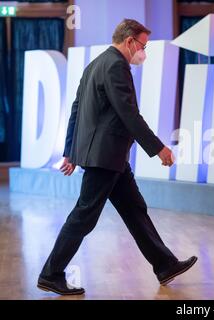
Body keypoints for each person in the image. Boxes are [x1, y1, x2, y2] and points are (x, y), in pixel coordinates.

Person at [37, 19, 197, 296]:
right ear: (129, 41)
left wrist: (70, 151)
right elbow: (129, 114)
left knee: (135, 210)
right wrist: (159, 148)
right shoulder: (116, 65)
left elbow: (77, 110)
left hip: (110, 156)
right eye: (143, 46)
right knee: (84, 216)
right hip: (105, 156)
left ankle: (164, 264)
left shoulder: (95, 64)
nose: (143, 52)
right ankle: (51, 274)